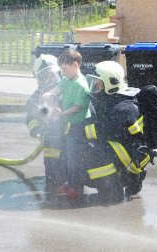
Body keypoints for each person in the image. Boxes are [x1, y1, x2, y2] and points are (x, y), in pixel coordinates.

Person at [83, 61, 152, 203]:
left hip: (129, 154)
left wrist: (77, 129)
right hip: (127, 151)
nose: (94, 87)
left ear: (111, 84)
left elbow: (101, 131)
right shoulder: (113, 100)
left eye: (98, 84)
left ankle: (111, 194)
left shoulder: (122, 109)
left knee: (91, 150)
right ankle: (128, 179)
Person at [45, 49, 91, 200]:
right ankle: (70, 183)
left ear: (75, 65)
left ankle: (75, 187)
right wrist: (50, 94)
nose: (63, 72)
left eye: (65, 68)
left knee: (74, 158)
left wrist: (61, 113)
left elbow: (78, 107)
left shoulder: (81, 84)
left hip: (80, 126)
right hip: (71, 125)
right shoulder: (68, 79)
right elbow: (59, 87)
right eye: (62, 69)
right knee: (67, 156)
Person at [25, 54, 67, 202]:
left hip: (68, 135)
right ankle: (53, 189)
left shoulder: (66, 90)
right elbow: (31, 119)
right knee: (52, 172)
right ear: (39, 78)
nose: (51, 79)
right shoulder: (35, 98)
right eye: (46, 76)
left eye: (53, 74)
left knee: (71, 164)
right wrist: (37, 130)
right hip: (50, 138)